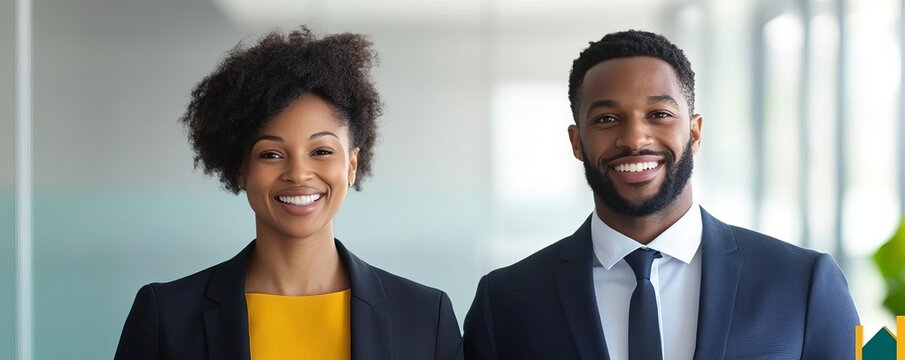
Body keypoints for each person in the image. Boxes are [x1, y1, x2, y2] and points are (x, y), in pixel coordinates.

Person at [463, 30, 858, 360]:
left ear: (696, 131)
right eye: (606, 119)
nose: (634, 138)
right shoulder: (506, 302)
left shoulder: (803, 283)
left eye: (659, 114)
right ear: (576, 141)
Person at [115, 27, 463, 359]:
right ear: (240, 169)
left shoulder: (425, 318)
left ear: (352, 165)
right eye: (271, 154)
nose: (298, 173)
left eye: (322, 151)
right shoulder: (167, 318)